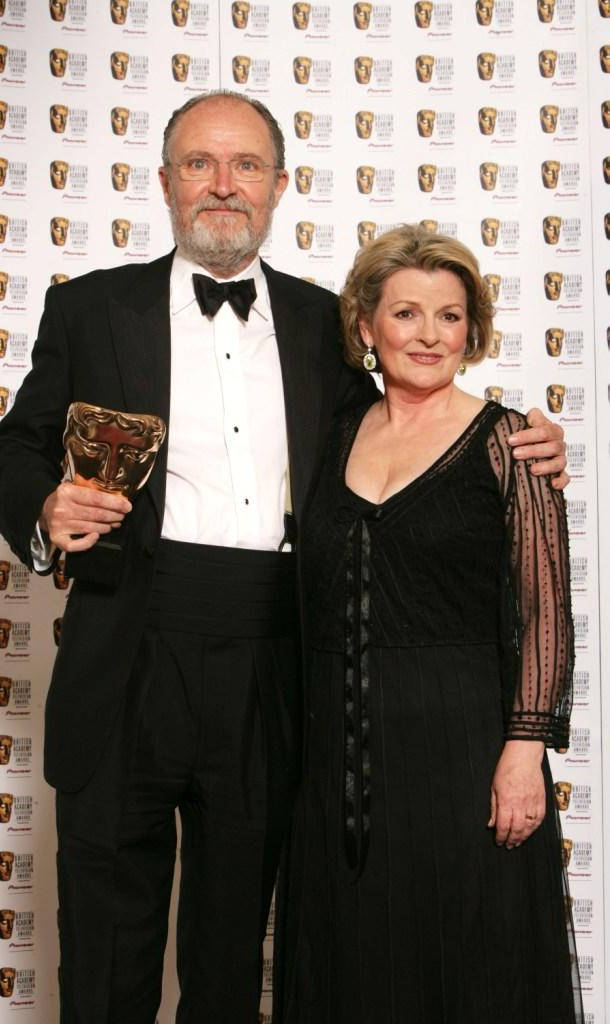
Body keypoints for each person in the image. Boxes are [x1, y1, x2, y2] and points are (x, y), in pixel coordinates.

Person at [0, 94, 567, 1024]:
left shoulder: (325, 324)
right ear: (166, 182)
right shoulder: (88, 308)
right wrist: (45, 507)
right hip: (127, 640)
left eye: (246, 165)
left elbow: (411, 419)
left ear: (280, 186)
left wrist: (528, 449)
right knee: (103, 949)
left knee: (229, 955)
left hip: (271, 656)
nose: (223, 184)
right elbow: (11, 452)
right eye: (201, 164)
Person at [275, 225, 581, 1024]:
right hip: (341, 759)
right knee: (357, 966)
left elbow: (546, 608)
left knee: (469, 964)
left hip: (463, 751)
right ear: (367, 325)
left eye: (450, 316)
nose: (429, 334)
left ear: (472, 330)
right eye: (407, 313)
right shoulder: (332, 432)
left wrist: (524, 751)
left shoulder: (512, 444)